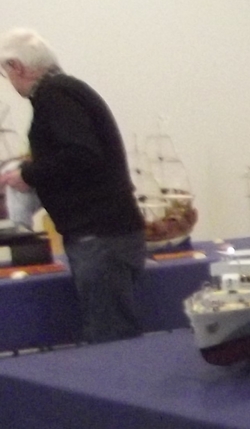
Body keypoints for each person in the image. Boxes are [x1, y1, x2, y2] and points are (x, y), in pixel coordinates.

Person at [0, 29, 147, 343]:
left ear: (17, 67)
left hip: (100, 236)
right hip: (113, 232)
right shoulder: (68, 91)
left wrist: (28, 174)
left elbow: (81, 154)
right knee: (114, 331)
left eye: (5, 73)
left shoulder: (55, 97)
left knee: (110, 338)